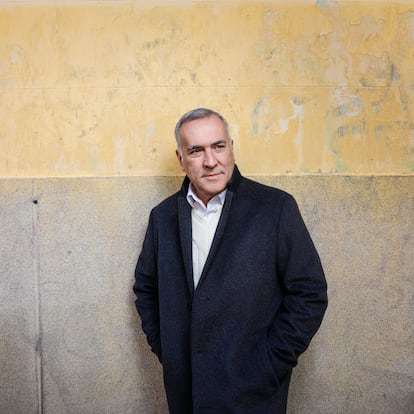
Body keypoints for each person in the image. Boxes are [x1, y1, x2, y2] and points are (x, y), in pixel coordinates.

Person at [133, 107, 328, 414]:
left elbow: (310, 293)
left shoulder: (275, 208)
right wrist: (170, 352)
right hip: (187, 395)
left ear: (231, 147)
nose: (210, 161)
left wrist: (269, 364)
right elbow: (146, 289)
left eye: (218, 146)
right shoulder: (162, 217)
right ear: (181, 159)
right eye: (196, 150)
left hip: (253, 394)